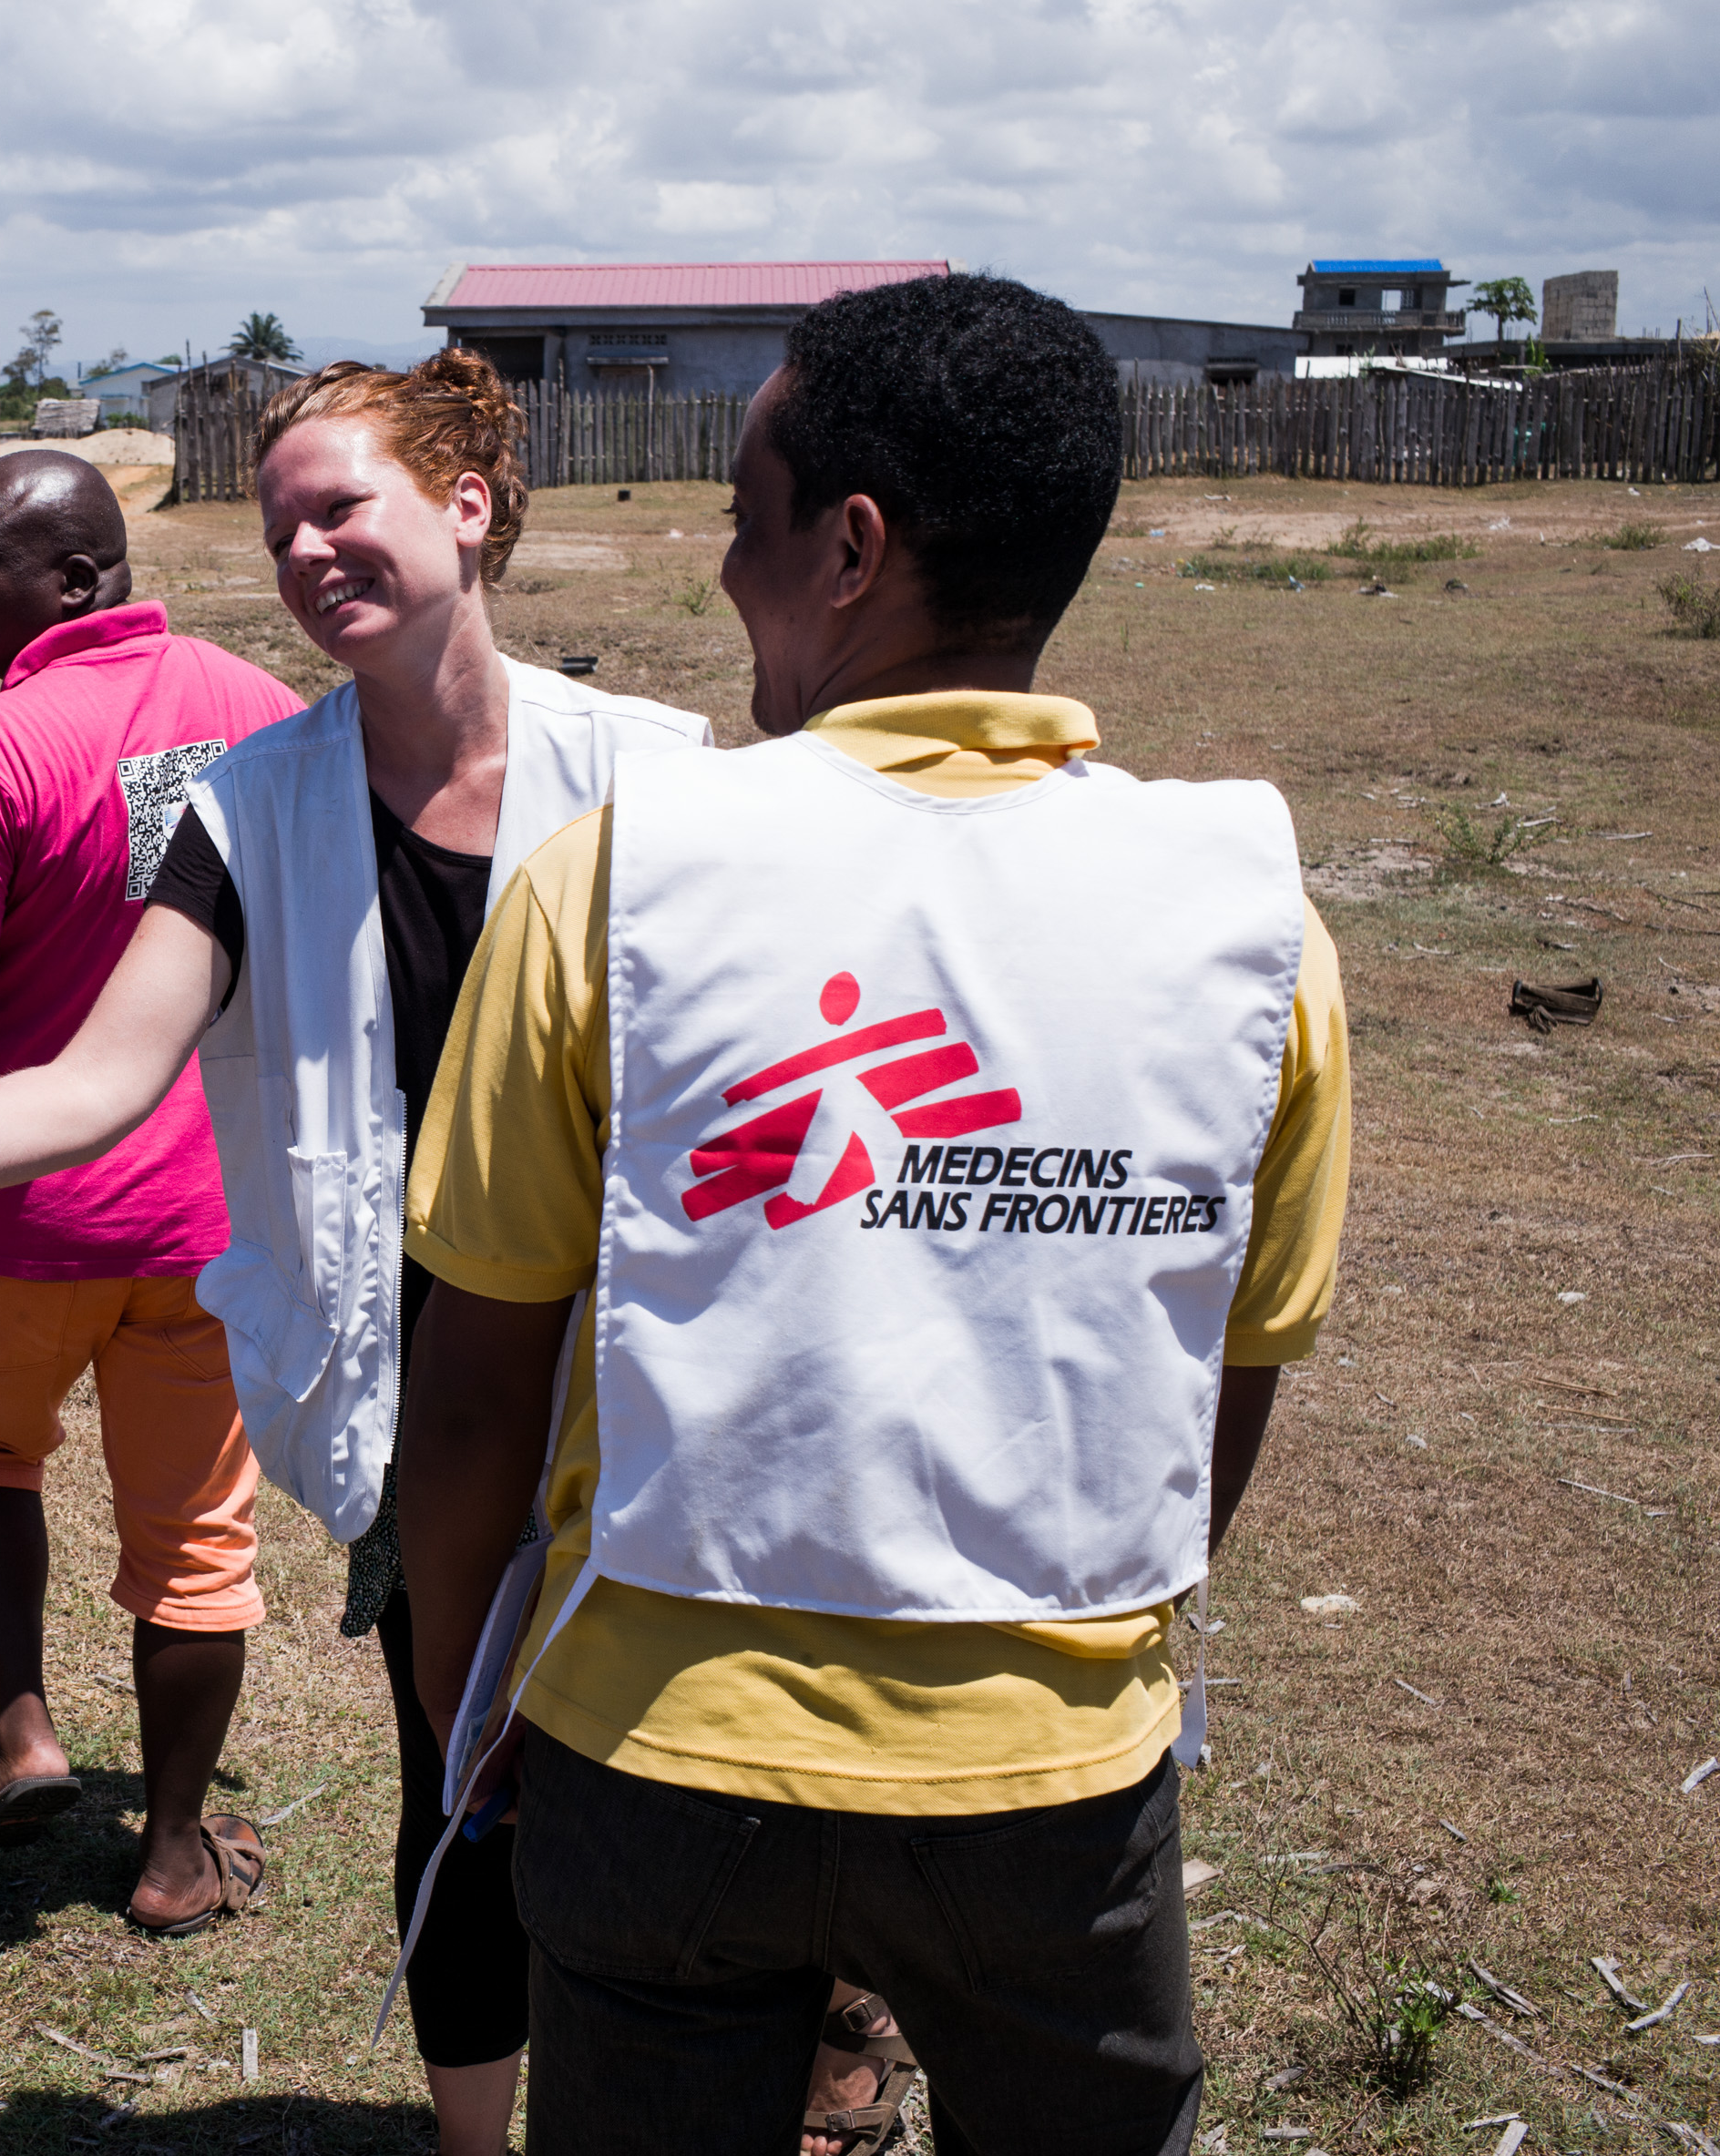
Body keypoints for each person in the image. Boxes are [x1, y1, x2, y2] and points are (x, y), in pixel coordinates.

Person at [392, 272, 1355, 2156]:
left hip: (652, 1744)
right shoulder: (1250, 925)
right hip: (1053, 1776)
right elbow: (1211, 1387)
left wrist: (467, 1714)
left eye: (743, 523)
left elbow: (473, 1393)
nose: (718, 568)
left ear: (848, 548)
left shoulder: (613, 878)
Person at [0, 355, 710, 2154]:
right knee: (461, 1784)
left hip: (644, 1367)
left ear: (467, 506)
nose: (307, 550)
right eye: (277, 530)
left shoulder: (656, 779)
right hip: (436, 1387)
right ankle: (469, 2137)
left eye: (342, 506)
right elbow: (95, 1079)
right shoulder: (249, 805)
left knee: (672, 1785)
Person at [0, 449, 305, 1932]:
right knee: (200, 1537)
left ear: (74, 581)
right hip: (206, 1227)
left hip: (17, 1213)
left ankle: (25, 1731)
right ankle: (169, 1854)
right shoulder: (260, 712)